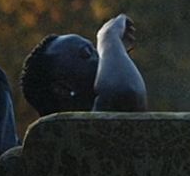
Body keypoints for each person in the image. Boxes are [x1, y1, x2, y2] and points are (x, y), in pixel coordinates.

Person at [19, 13, 147, 115]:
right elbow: (125, 92)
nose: (101, 57)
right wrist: (108, 37)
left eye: (97, 49)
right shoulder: (70, 142)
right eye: (86, 53)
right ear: (63, 89)